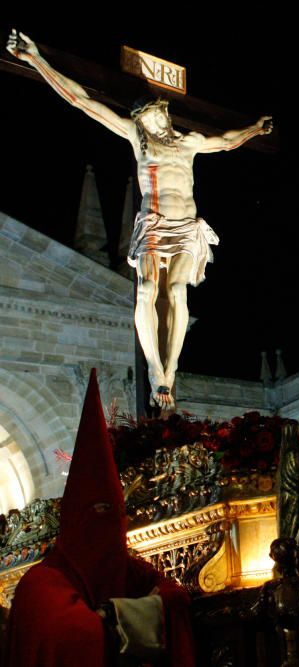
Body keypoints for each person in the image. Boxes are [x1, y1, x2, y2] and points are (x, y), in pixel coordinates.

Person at [7, 30, 272, 411]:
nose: (150, 122)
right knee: (148, 289)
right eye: (144, 118)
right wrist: (35, 59)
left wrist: (254, 129)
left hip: (187, 227)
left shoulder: (190, 142)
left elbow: (227, 141)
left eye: (153, 114)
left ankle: (171, 370)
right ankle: (153, 369)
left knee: (178, 292)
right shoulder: (137, 139)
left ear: (163, 113)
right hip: (154, 222)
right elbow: (80, 100)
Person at [3, 370, 194, 665]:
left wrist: (111, 614)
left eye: (117, 514)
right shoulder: (39, 583)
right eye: (100, 512)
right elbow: (72, 635)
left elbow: (175, 596)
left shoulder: (128, 569)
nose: (111, 525)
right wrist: (135, 613)